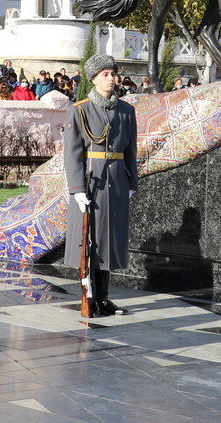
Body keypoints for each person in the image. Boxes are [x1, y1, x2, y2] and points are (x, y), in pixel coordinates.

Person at [65, 54, 139, 314]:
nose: (112, 78)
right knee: (90, 241)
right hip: (91, 181)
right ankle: (89, 297)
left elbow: (131, 149)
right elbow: (72, 152)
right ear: (93, 78)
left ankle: (104, 298)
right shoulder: (80, 110)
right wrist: (76, 189)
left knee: (109, 242)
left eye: (113, 73)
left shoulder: (126, 111)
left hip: (116, 181)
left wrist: (132, 181)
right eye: (105, 74)